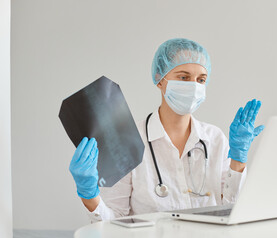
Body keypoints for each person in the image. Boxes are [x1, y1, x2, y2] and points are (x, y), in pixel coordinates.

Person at [69, 38, 265, 222]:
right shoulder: (129, 140)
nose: (194, 87)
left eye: (201, 79)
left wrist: (239, 161)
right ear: (159, 79)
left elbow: (232, 210)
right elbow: (113, 222)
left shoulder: (215, 138)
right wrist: (89, 195)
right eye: (183, 77)